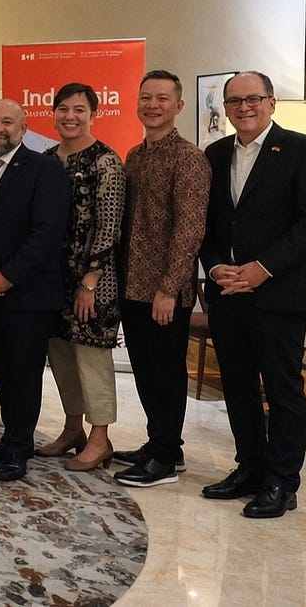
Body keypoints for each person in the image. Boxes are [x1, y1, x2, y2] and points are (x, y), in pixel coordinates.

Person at [198, 70, 306, 518]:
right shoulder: (214, 154)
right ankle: (250, 468)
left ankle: (281, 482)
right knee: (235, 387)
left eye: (253, 98)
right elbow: (208, 225)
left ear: (272, 102)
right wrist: (217, 267)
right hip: (227, 293)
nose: (243, 107)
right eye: (234, 101)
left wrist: (261, 269)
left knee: (282, 389)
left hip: (279, 295)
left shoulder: (304, 151)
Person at [111, 70, 210, 488]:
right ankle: (161, 443)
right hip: (132, 285)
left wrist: (169, 289)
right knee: (146, 371)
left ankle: (165, 460)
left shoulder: (189, 159)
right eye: (146, 97)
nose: (153, 105)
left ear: (179, 106)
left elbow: (190, 230)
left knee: (167, 373)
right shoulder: (135, 155)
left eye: (163, 99)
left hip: (164, 291)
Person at [0, 98, 69, 482]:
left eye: (7, 122)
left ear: (23, 129)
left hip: (28, 294)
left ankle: (18, 449)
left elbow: (47, 233)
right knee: (2, 373)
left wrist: (8, 276)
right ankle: (11, 437)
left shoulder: (45, 169)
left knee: (24, 375)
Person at [37, 83, 125, 472]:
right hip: (52, 279)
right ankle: (73, 428)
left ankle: (100, 438)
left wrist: (90, 281)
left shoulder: (106, 161)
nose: (69, 116)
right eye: (62, 109)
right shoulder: (45, 159)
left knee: (92, 360)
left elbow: (110, 226)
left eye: (79, 110)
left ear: (94, 114)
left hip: (93, 282)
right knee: (61, 358)